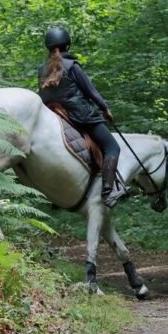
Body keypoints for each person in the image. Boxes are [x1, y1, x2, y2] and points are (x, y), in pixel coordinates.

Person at [37, 25, 128, 208]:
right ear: (67, 45)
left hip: (54, 113)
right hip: (79, 114)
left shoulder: (42, 69)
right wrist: (105, 108)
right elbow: (90, 91)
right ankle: (108, 192)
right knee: (112, 147)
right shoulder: (72, 66)